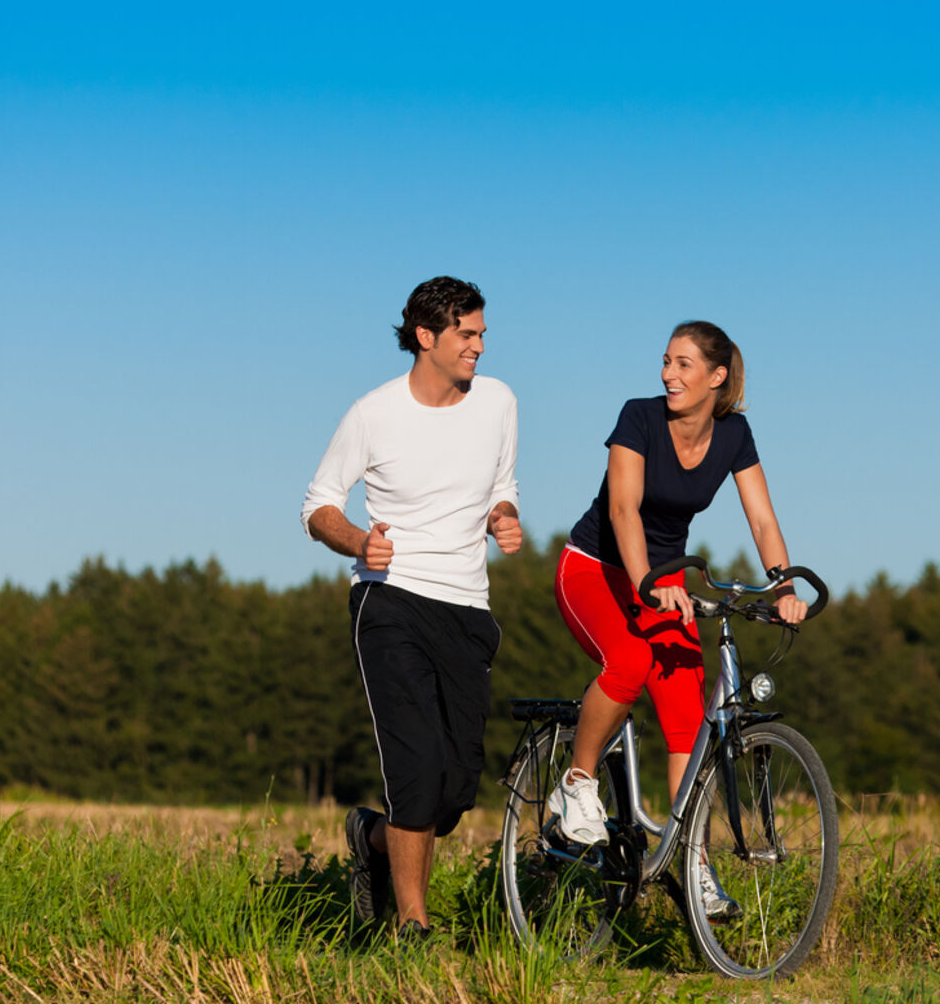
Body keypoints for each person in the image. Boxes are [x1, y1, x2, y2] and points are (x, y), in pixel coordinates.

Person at [547, 320, 807, 920]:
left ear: (717, 378)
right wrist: (645, 583)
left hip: (661, 584)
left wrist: (784, 586)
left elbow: (762, 521)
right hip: (596, 568)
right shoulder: (638, 418)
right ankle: (576, 784)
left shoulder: (734, 435)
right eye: (667, 361)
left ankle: (692, 865)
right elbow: (623, 508)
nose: (669, 373)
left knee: (690, 720)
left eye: (684, 364)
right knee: (631, 661)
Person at [301, 276, 521, 941]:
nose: (480, 346)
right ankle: (412, 928)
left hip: (466, 610)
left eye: (482, 333)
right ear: (426, 336)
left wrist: (504, 519)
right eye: (468, 334)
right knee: (416, 774)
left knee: (451, 795)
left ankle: (369, 838)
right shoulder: (373, 413)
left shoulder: (499, 403)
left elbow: (501, 489)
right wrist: (357, 540)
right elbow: (317, 506)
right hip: (389, 601)